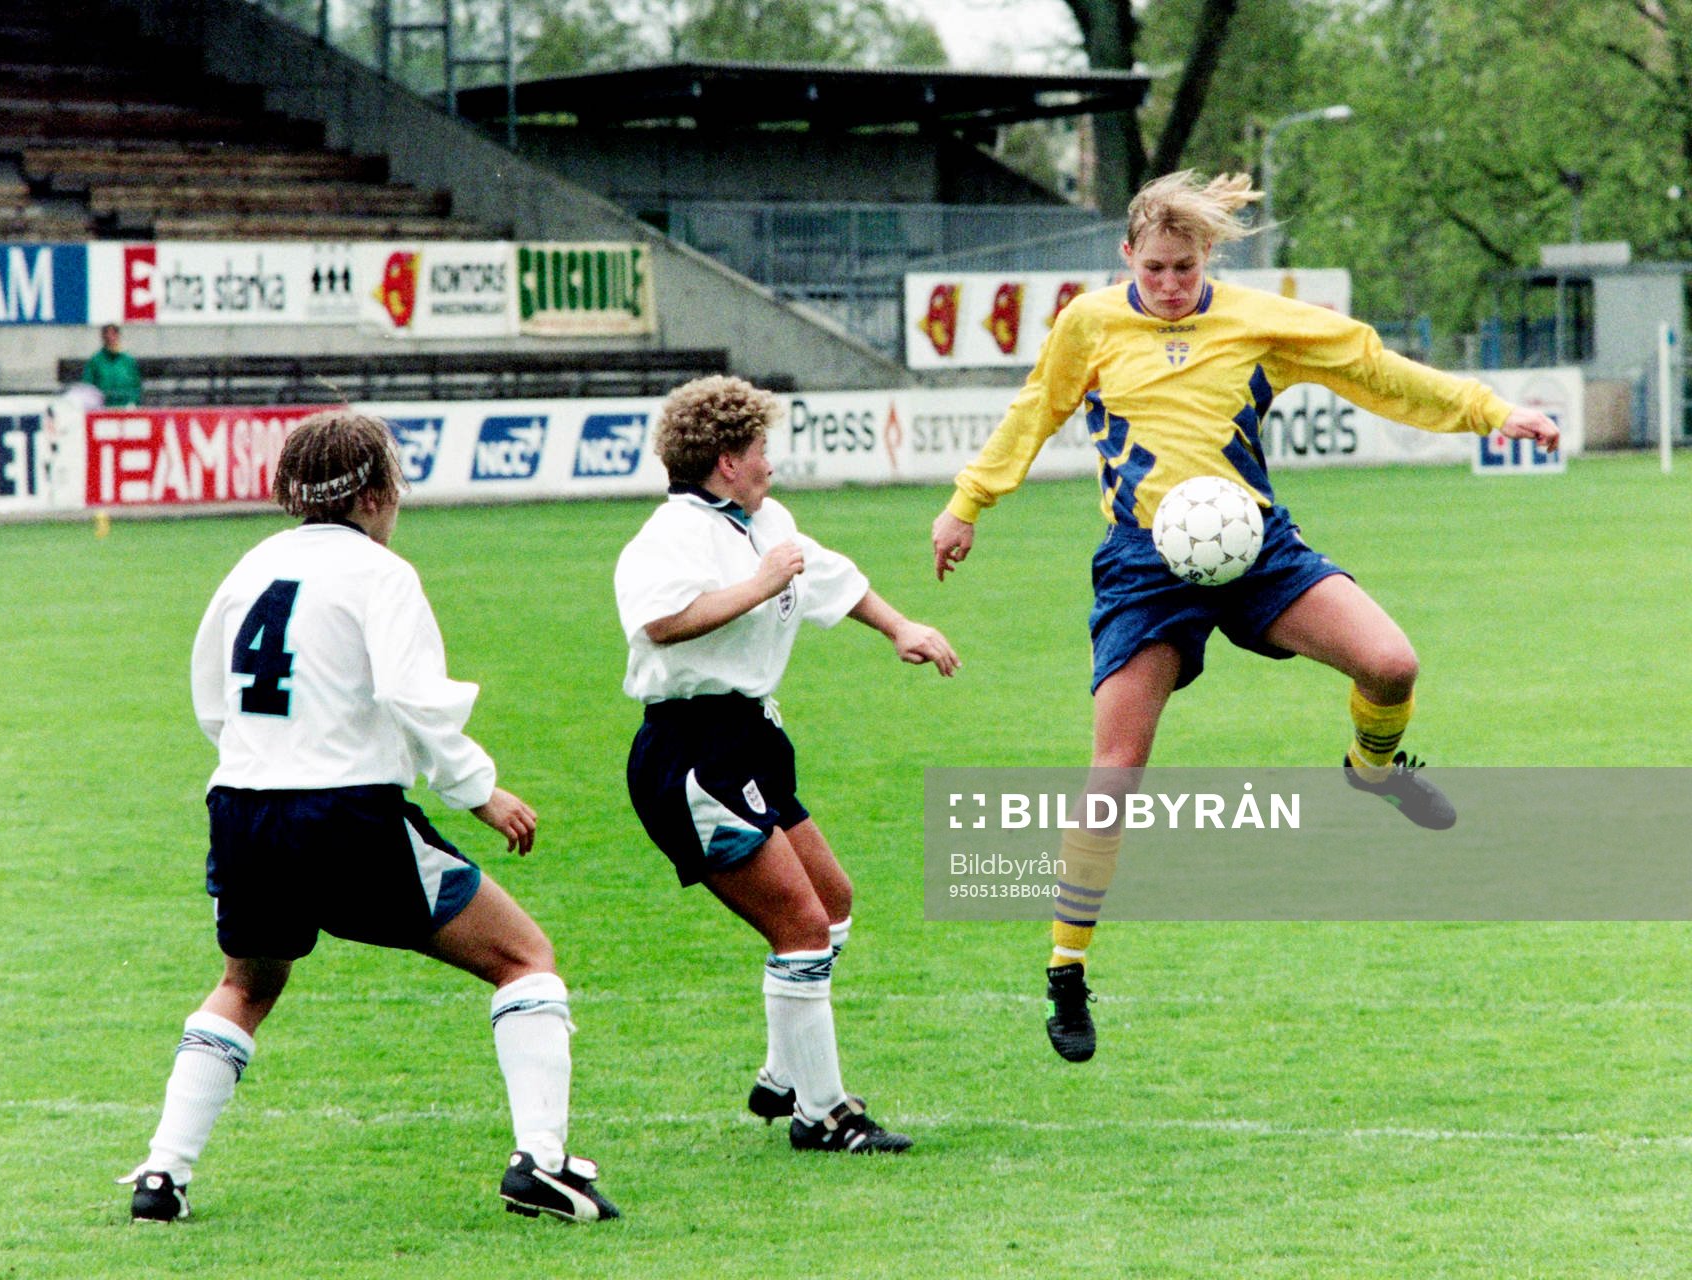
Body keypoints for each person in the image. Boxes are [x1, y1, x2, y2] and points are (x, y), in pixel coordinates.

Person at [928, 171, 1561, 1065]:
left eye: (1186, 268)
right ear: (1126, 259)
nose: (1172, 285)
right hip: (1145, 567)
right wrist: (969, 503)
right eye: (1155, 268)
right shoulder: (1092, 325)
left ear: (1209, 260)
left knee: (1392, 665)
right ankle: (1067, 967)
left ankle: (1372, 773)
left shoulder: (1260, 322)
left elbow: (1378, 372)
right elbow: (1037, 409)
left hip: (1256, 547)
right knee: (1117, 767)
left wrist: (1494, 411)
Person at [118, 410, 619, 1224]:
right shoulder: (382, 574)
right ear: (380, 491)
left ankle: (162, 1176)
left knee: (245, 985)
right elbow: (410, 697)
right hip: (343, 810)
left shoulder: (250, 566)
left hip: (243, 807)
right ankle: (544, 1163)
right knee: (525, 958)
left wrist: (268, 760)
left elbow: (212, 697)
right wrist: (479, 789)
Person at [616, 375, 961, 1155]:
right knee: (801, 928)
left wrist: (900, 626)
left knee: (832, 902)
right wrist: (757, 586)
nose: (773, 461)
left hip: (750, 741)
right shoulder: (671, 535)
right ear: (728, 459)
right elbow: (659, 622)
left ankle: (783, 1077)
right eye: (762, 448)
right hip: (692, 751)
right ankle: (825, 1112)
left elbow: (824, 572)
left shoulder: (762, 518)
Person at [83, 324, 142, 407]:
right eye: (107, 335)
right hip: (102, 409)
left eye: (114, 334)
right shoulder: (95, 361)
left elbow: (136, 385)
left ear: (118, 336)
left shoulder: (128, 361)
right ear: (103, 338)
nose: (111, 338)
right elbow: (87, 386)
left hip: (126, 408)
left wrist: (133, 403)